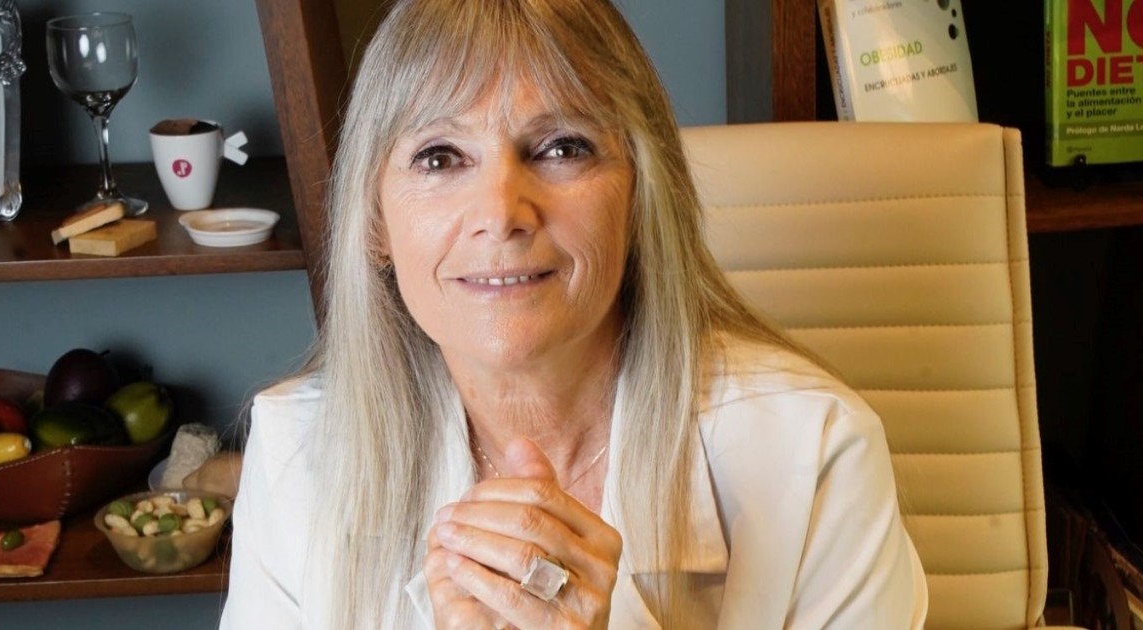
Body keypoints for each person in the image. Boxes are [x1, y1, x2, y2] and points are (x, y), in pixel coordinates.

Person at [219, 0, 928, 627]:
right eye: (439, 158)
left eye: (561, 148)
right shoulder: (294, 453)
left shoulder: (816, 445)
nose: (501, 212)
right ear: (374, 220)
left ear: (642, 195)